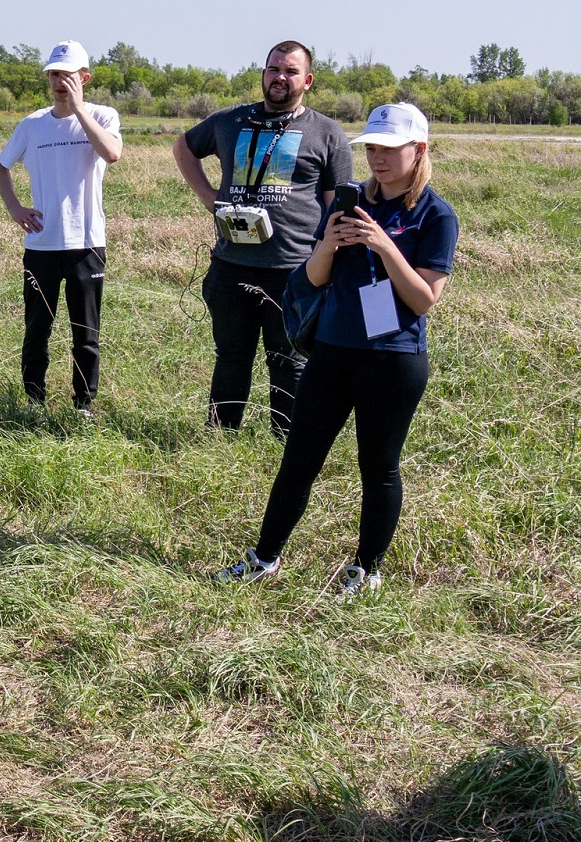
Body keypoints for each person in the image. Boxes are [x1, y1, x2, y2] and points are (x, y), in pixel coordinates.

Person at [219, 104, 457, 595]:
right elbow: (311, 277)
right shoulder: (349, 202)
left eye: (391, 149)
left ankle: (364, 570)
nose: (379, 158)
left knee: (379, 466)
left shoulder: (436, 216)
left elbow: (424, 300)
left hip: (393, 358)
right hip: (331, 349)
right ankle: (264, 559)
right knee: (299, 458)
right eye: (372, 147)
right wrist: (328, 243)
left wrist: (384, 246)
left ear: (420, 150)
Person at [173, 42, 350, 437]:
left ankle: (288, 441)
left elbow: (336, 206)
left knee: (289, 361)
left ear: (307, 80)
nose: (279, 78)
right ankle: (221, 437)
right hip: (230, 265)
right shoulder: (229, 121)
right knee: (231, 357)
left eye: (289, 71)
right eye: (273, 69)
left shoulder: (326, 133)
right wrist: (209, 198)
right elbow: (184, 146)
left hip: (294, 269)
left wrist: (328, 260)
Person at [0, 41, 124, 415]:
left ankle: (83, 406)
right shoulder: (32, 125)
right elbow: (0, 167)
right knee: (37, 329)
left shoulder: (103, 116)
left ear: (85, 78)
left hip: (87, 244)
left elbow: (112, 154)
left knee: (86, 334)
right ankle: (34, 401)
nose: (59, 81)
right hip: (42, 244)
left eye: (67, 75)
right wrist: (15, 207)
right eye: (53, 74)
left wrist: (79, 110)